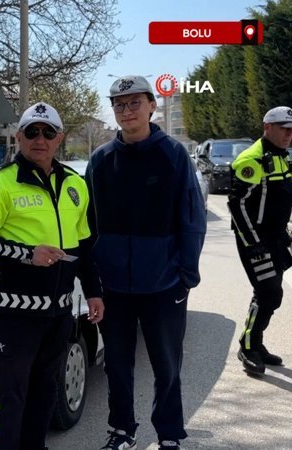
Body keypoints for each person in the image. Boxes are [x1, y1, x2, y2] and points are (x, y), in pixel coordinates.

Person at [0, 101, 104, 450]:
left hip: (59, 314)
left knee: (44, 396)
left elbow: (86, 247)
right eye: (31, 132)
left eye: (47, 132)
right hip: (14, 314)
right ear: (18, 137)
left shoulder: (76, 185)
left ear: (60, 139)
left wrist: (94, 292)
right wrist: (28, 255)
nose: (39, 139)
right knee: (10, 400)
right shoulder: (0, 183)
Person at [85, 75, 206, 450]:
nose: (126, 110)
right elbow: (86, 223)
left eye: (134, 102)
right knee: (117, 366)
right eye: (119, 104)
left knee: (166, 366)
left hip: (164, 285)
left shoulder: (173, 155)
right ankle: (122, 431)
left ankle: (169, 435)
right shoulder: (101, 160)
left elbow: (192, 217)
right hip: (114, 287)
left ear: (152, 106)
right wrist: (94, 278)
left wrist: (185, 274)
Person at [228, 106, 292, 376]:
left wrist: (287, 234)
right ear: (267, 127)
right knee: (269, 292)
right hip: (254, 240)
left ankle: (256, 343)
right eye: (284, 128)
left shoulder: (282, 158)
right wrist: (254, 243)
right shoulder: (252, 160)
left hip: (274, 238)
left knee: (270, 295)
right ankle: (247, 348)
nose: (289, 133)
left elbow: (278, 202)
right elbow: (237, 207)